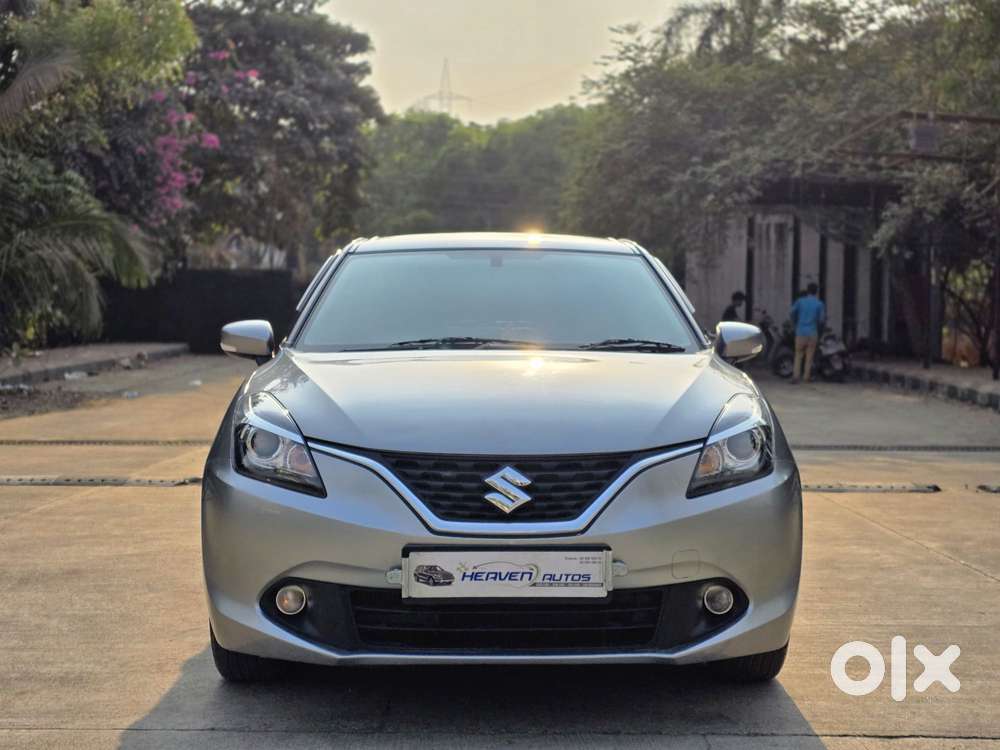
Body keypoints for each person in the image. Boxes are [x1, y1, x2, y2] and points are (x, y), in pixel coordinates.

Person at [789, 282, 825, 383]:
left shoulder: (800, 301)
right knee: (809, 356)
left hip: (800, 331)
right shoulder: (819, 304)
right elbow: (821, 320)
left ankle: (795, 376)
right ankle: (806, 377)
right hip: (812, 332)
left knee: (798, 355)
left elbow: (791, 312)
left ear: (807, 290)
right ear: (816, 291)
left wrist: (795, 323)